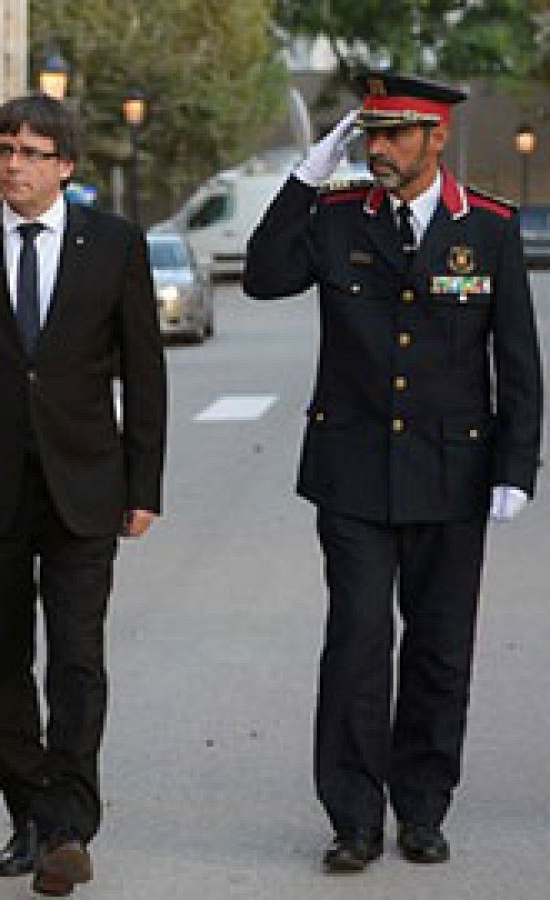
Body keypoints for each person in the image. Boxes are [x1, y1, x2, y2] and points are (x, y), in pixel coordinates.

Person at [243, 72, 542, 873]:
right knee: (357, 644)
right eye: (370, 133)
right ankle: (351, 817)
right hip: (352, 473)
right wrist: (305, 179)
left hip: (454, 472)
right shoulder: (339, 218)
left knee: (441, 651)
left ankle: (422, 808)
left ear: (435, 138)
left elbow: (517, 358)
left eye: (395, 134)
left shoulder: (488, 226)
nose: (378, 148)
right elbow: (263, 275)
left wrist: (517, 465)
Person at [0, 93, 166, 897]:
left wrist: (144, 482)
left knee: (78, 662)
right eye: (3, 148)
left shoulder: (115, 247)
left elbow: (145, 371)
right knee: (2, 662)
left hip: (86, 486)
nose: (12, 163)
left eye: (29, 151)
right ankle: (28, 811)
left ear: (65, 166)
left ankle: (68, 828)